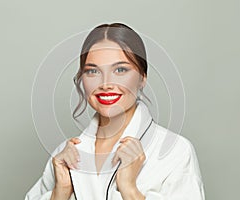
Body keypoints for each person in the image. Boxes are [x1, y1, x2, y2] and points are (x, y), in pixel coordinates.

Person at [25, 23, 205, 200]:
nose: (105, 84)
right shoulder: (64, 155)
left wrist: (130, 190)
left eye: (120, 70)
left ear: (142, 77)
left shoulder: (175, 151)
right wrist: (60, 193)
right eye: (93, 71)